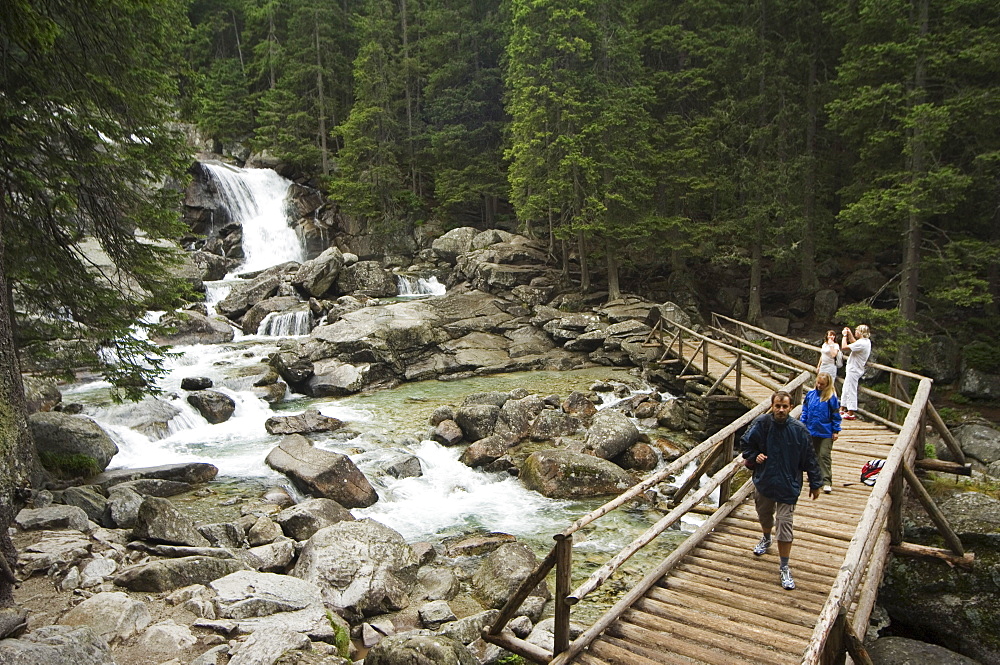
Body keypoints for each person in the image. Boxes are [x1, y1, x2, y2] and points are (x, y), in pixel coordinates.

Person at [740, 390, 823, 590]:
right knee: (764, 515)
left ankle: (784, 567)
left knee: (785, 525)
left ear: (790, 407)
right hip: (765, 481)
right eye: (778, 406)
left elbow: (810, 458)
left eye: (785, 406)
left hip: (788, 485)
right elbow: (745, 443)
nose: (781, 410)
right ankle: (766, 537)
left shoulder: (799, 430)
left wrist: (816, 482)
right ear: (772, 405)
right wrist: (755, 455)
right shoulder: (762, 424)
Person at [800, 373, 841, 494]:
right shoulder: (810, 395)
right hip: (811, 430)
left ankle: (826, 481)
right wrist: (802, 425)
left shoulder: (831, 398)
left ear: (827, 384)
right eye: (818, 383)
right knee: (812, 455)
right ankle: (814, 476)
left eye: (822, 384)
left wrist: (836, 430)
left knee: (824, 455)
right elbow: (805, 411)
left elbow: (836, 415)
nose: (819, 385)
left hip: (826, 432)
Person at [840, 324, 872, 420]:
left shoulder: (862, 343)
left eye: (857, 330)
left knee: (851, 389)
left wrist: (845, 335)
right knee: (846, 387)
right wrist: (850, 334)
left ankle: (851, 412)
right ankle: (843, 407)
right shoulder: (865, 342)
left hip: (854, 369)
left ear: (861, 332)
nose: (855, 331)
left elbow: (844, 347)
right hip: (854, 368)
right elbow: (854, 343)